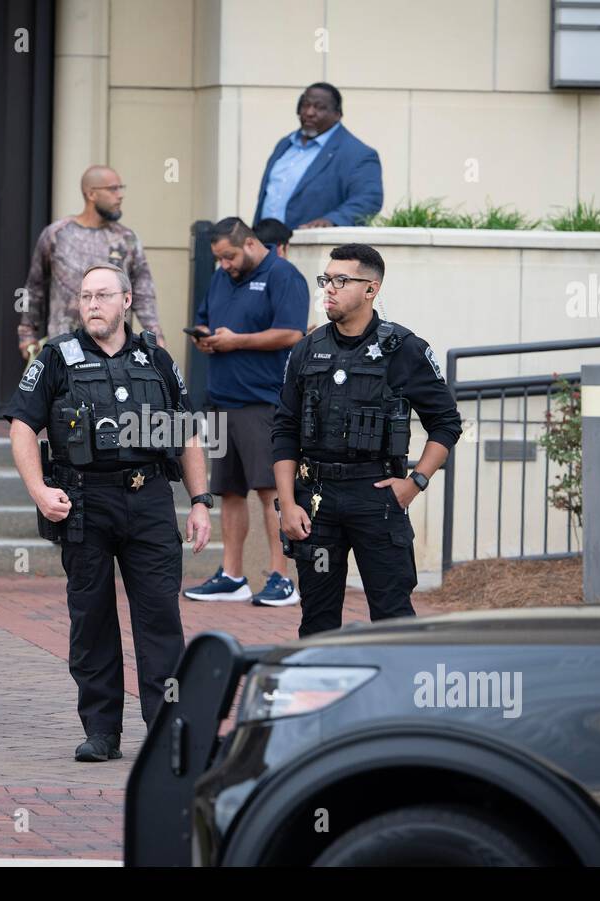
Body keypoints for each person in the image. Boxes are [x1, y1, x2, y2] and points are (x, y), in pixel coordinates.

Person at [7, 263, 212, 761]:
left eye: (102, 296)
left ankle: (166, 730)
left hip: (149, 501)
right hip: (84, 502)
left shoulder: (157, 359)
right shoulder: (56, 356)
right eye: (85, 297)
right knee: (92, 620)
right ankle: (102, 733)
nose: (93, 305)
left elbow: (184, 433)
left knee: (160, 619)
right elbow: (21, 426)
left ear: (126, 301)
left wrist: (201, 502)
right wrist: (39, 490)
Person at [273, 243, 462, 638]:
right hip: (318, 500)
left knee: (392, 616)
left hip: (376, 497)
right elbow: (285, 428)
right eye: (326, 280)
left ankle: (398, 699)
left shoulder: (404, 349)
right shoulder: (307, 349)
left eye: (341, 280)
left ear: (371, 289)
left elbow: (445, 422)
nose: (330, 288)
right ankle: (323, 698)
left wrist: (416, 483)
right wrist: (288, 504)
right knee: (318, 620)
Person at [183, 218, 306, 607]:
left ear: (251, 243)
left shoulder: (284, 276)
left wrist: (236, 342)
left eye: (229, 256)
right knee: (230, 491)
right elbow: (205, 317)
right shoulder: (222, 277)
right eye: (219, 258)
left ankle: (280, 577)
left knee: (271, 490)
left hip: (263, 402)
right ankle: (233, 575)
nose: (224, 265)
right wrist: (206, 338)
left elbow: (291, 334)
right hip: (222, 399)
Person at [18, 165, 162, 361]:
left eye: (121, 188)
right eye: (113, 189)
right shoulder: (57, 235)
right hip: (65, 350)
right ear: (91, 194)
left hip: (115, 352)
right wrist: (27, 333)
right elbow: (33, 288)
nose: (120, 195)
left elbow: (143, 294)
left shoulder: (126, 239)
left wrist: (156, 337)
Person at [253, 83, 383, 231]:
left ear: (337, 114)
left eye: (319, 107)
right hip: (264, 244)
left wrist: (331, 220)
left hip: (308, 247)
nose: (309, 112)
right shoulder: (285, 144)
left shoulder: (358, 154)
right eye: (305, 105)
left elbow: (368, 200)